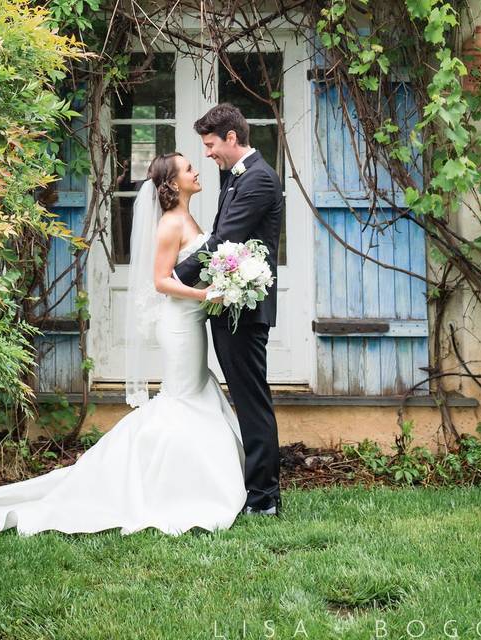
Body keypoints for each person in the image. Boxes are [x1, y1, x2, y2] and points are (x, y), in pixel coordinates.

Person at [0, 152, 247, 536]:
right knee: (182, 398)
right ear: (172, 184)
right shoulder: (170, 223)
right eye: (187, 169)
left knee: (195, 391)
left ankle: (192, 481)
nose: (196, 170)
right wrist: (207, 296)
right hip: (180, 324)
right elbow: (161, 281)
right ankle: (165, 486)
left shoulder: (187, 216)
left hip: (192, 321)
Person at [172, 104, 284, 516]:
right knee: (244, 397)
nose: (208, 154)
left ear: (232, 138)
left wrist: (175, 277)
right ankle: (255, 491)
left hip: (245, 310)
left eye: (210, 145)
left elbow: (223, 240)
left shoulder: (258, 180)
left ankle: (264, 498)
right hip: (227, 307)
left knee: (252, 401)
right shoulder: (237, 176)